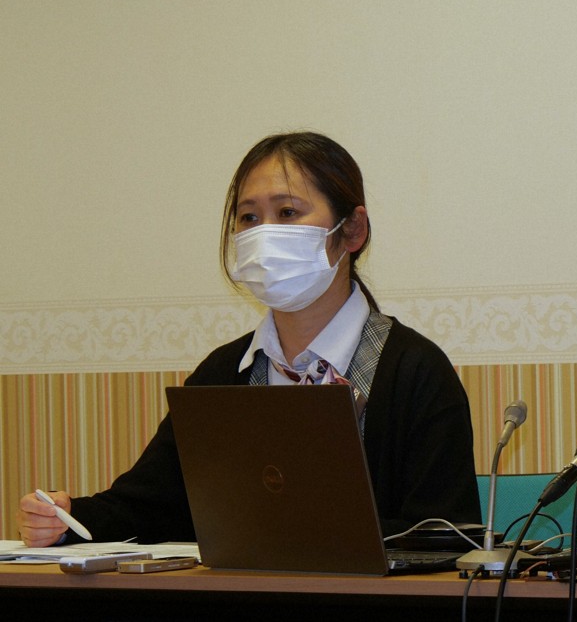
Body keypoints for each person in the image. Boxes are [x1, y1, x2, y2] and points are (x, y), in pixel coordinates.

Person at [18, 132, 481, 546]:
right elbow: (148, 506)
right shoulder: (222, 373)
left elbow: (444, 535)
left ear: (352, 229)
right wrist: (66, 517)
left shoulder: (415, 371)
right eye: (248, 217)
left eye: (287, 212)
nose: (263, 234)